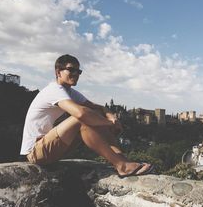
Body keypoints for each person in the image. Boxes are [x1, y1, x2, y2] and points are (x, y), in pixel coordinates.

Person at [20, 54, 153, 177]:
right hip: (36, 152)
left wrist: (111, 117)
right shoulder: (54, 90)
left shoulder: (70, 92)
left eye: (78, 71)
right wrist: (108, 123)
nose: (76, 74)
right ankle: (121, 165)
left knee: (94, 116)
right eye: (71, 70)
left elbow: (99, 108)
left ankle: (122, 160)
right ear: (58, 72)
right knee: (83, 119)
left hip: (50, 148)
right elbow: (81, 113)